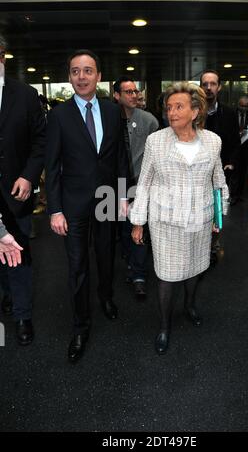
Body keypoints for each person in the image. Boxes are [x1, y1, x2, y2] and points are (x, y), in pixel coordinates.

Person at [130, 82, 229, 355]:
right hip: (165, 221)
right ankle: (164, 325)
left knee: (196, 268)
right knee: (166, 275)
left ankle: (189, 305)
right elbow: (145, 182)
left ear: (195, 111)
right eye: (169, 107)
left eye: (179, 107)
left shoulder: (213, 141)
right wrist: (138, 221)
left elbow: (218, 182)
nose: (171, 113)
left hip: (200, 218)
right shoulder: (156, 141)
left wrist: (219, 217)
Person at [45, 49, 128, 363]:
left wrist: (123, 195)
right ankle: (80, 325)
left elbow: (119, 156)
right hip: (73, 203)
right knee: (77, 264)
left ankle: (106, 297)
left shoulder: (111, 111)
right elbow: (51, 166)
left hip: (107, 197)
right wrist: (54, 209)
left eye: (88, 70)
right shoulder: (58, 116)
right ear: (69, 77)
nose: (82, 76)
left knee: (106, 254)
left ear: (99, 76)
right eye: (76, 71)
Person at [0, 35, 46, 343]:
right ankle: (8, 295)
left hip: (16, 194)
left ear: (2, 55)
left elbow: (40, 141)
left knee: (19, 256)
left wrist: (29, 176)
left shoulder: (26, 95)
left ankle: (22, 315)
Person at [113, 76, 158, 297]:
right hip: (114, 184)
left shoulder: (149, 120)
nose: (133, 95)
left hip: (141, 182)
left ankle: (139, 274)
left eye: (135, 91)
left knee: (138, 225)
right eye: (128, 92)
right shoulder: (108, 119)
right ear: (117, 96)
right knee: (122, 226)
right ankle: (131, 264)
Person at [200, 69, 240, 265]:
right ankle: (199, 247)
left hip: (220, 172)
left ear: (219, 87)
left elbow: (234, 142)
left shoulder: (229, 113)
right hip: (197, 172)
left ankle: (213, 246)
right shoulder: (193, 112)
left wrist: (231, 162)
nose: (208, 88)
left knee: (217, 211)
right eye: (205, 84)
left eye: (212, 84)